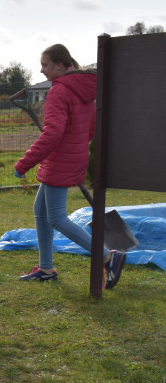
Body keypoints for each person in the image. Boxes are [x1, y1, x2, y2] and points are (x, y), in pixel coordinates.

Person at [12, 44, 126, 287]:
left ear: (61, 66)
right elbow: (91, 129)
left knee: (56, 218)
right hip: (73, 156)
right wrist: (74, 145)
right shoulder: (84, 89)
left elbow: (51, 135)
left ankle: (108, 257)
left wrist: (24, 163)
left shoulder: (59, 91)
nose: (41, 70)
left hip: (60, 159)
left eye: (45, 65)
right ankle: (45, 267)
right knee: (40, 210)